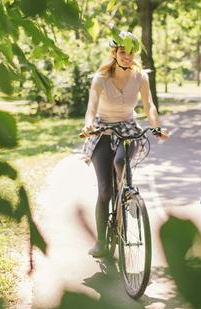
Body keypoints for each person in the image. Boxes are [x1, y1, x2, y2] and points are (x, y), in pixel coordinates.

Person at [82, 31, 167, 257]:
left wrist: (156, 125)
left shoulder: (140, 77)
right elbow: (91, 107)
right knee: (104, 191)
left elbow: (149, 105)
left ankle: (127, 195)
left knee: (121, 161)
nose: (127, 57)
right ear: (114, 53)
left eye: (131, 53)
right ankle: (101, 242)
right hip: (102, 131)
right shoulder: (100, 78)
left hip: (128, 128)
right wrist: (88, 125)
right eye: (122, 52)